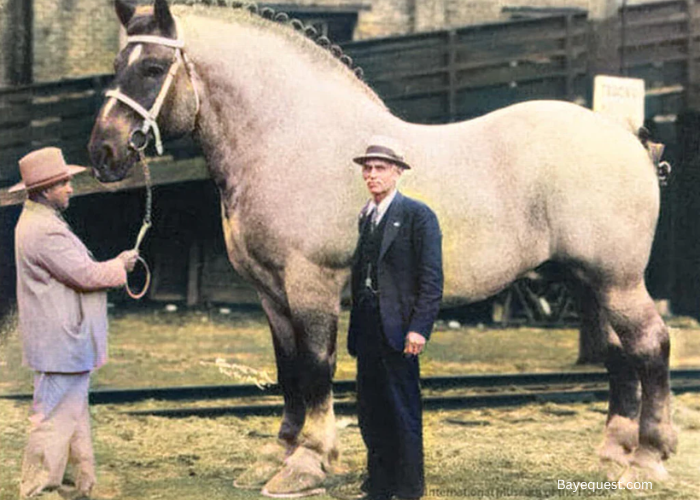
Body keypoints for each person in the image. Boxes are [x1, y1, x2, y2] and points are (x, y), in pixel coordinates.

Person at [10, 147, 139, 499]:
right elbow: (84, 274)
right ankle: (38, 491)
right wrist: (120, 265)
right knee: (54, 421)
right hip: (60, 342)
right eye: (63, 182)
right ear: (44, 190)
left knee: (71, 419)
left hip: (61, 341)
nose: (70, 187)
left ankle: (74, 488)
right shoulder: (43, 229)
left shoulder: (41, 221)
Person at [348, 136, 443, 500]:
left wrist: (419, 328)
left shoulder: (418, 216)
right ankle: (378, 485)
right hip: (368, 326)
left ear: (398, 173)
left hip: (401, 329)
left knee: (402, 408)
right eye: (367, 169)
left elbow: (432, 280)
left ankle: (407, 489)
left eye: (380, 169)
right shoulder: (366, 215)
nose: (371, 175)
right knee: (371, 410)